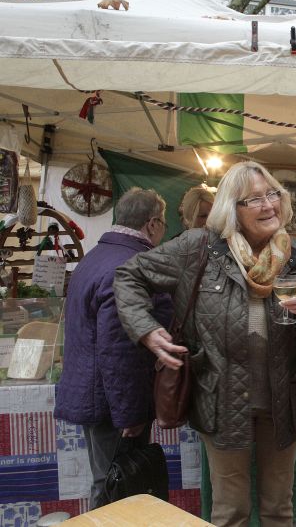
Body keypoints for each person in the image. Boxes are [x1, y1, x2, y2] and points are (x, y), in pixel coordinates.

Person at [114, 162, 296, 527]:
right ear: (232, 208)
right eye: (254, 199)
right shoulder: (198, 248)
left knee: (279, 508)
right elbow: (129, 275)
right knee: (231, 511)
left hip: (284, 402)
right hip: (221, 400)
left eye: (273, 194)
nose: (269, 205)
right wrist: (146, 330)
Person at [54, 187, 172, 509]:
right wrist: (130, 413)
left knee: (107, 481)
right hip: (112, 402)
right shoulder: (131, 265)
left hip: (96, 395)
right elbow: (121, 351)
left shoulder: (95, 256)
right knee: (118, 487)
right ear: (152, 224)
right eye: (163, 223)